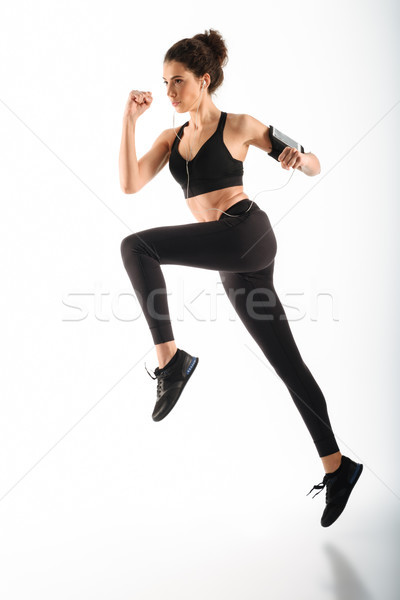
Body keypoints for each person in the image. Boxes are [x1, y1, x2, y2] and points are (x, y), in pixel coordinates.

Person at [119, 28, 363, 527]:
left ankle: (172, 363)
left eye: (177, 82)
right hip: (233, 260)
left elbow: (313, 160)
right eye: (164, 83)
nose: (168, 93)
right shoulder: (170, 138)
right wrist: (129, 121)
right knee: (287, 365)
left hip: (246, 231)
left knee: (136, 247)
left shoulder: (240, 125)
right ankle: (339, 467)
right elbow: (129, 183)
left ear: (204, 81)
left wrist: (300, 161)